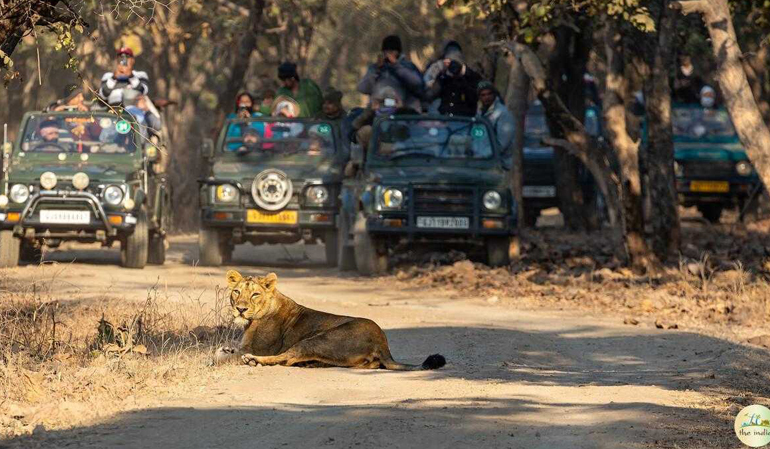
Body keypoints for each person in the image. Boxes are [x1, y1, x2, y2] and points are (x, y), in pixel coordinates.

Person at [358, 35, 424, 111]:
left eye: (392, 51)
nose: (388, 54)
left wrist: (396, 66)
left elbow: (417, 84)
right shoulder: (374, 68)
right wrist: (376, 71)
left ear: (398, 52)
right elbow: (363, 88)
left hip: (403, 108)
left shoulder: (408, 66)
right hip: (378, 107)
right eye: (386, 51)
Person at [423, 41, 482, 116]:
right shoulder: (443, 77)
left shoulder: (471, 76)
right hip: (444, 119)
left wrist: (463, 74)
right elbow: (430, 95)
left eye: (455, 63)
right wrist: (442, 74)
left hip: (465, 119)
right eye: (450, 63)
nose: (453, 67)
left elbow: (475, 97)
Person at [477, 81, 515, 152]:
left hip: (497, 156)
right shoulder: (479, 112)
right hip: (480, 155)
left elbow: (503, 143)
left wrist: (488, 154)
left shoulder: (503, 112)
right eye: (483, 95)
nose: (487, 97)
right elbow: (477, 135)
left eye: (489, 94)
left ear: (494, 94)